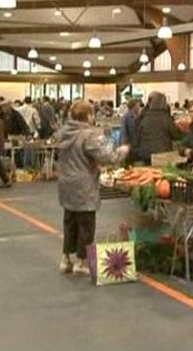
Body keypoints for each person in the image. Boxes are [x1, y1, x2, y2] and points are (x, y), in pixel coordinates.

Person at [57, 100, 130, 274]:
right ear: (88, 115)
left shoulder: (64, 132)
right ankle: (82, 262)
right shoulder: (89, 134)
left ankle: (66, 259)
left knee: (69, 220)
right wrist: (122, 150)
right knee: (86, 223)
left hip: (66, 183)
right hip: (84, 184)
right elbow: (108, 156)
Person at [134, 91, 182, 165]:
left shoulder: (144, 117)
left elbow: (137, 134)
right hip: (162, 154)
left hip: (146, 153)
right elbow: (176, 135)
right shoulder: (166, 118)